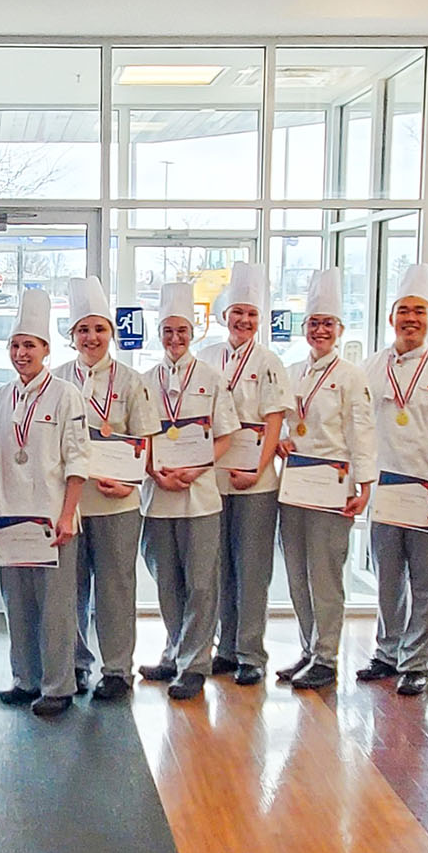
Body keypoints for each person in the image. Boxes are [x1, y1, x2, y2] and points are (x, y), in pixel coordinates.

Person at [358, 267, 428, 697]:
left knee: (426, 581)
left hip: (425, 491)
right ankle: (386, 652)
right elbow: (358, 429)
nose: (411, 319)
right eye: (404, 311)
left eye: (420, 311)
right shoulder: (368, 369)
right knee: (385, 576)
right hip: (384, 490)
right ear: (391, 319)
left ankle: (416, 662)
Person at [0, 288, 90, 717]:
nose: (21, 352)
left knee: (56, 607)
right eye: (15, 345)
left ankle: (58, 685)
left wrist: (68, 515)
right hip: (11, 519)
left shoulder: (66, 395)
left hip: (53, 519)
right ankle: (24, 679)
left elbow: (77, 460)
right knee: (18, 603)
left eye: (30, 345)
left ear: (47, 350)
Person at [138, 282, 241, 701]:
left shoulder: (213, 378)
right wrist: (154, 470)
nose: (175, 339)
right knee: (167, 580)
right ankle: (173, 651)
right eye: (168, 332)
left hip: (200, 495)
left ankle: (195, 662)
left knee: (201, 581)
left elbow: (226, 436)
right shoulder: (145, 380)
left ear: (193, 332)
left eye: (182, 331)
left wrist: (197, 468)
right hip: (159, 492)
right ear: (159, 334)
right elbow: (138, 439)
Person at [275, 268, 375, 690]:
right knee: (297, 574)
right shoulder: (292, 370)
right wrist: (280, 441)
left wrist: (364, 485)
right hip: (295, 484)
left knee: (325, 575)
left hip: (333, 486)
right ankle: (307, 648)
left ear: (340, 329)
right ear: (304, 328)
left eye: (328, 324)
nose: (320, 330)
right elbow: (281, 422)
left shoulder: (351, 376)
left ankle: (328, 656)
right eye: (314, 323)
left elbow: (362, 430)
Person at [64, 275, 161, 702]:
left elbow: (145, 440)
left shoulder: (132, 381)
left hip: (117, 500)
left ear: (112, 333)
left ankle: (117, 669)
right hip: (69, 503)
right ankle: (74, 663)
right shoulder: (56, 379)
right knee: (70, 587)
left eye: (99, 329)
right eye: (83, 329)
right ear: (71, 336)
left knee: (116, 587)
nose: (92, 337)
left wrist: (130, 481)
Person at [199, 262, 291, 686]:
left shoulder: (270, 362)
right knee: (218, 565)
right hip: (214, 472)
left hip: (257, 477)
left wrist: (259, 467)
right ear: (223, 316)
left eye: (252, 315)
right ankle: (227, 646)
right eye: (237, 313)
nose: (244, 321)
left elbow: (274, 419)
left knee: (252, 567)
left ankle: (252, 653)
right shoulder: (207, 358)